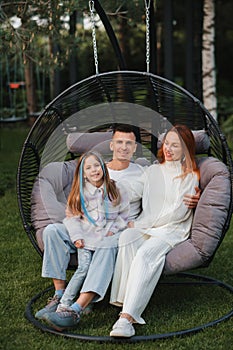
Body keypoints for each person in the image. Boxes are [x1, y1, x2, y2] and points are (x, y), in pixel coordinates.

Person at [34, 124, 200, 330]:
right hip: (87, 224)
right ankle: (58, 296)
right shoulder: (97, 167)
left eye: (129, 143)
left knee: (108, 242)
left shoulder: (142, 171)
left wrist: (196, 198)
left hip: (117, 229)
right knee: (52, 231)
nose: (123, 147)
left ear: (135, 147)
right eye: (119, 142)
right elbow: (87, 196)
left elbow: (154, 196)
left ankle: (78, 307)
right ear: (111, 145)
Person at [109, 124, 200, 338]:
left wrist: (141, 224)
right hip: (146, 226)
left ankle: (128, 318)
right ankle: (124, 300)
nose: (168, 149)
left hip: (171, 230)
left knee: (145, 254)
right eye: (167, 143)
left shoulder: (190, 176)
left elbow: (177, 213)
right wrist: (110, 187)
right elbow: (132, 192)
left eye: (175, 146)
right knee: (127, 237)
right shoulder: (152, 171)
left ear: (186, 150)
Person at [53, 151, 129, 319]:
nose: (94, 170)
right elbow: (72, 218)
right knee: (83, 268)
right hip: (85, 239)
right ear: (83, 174)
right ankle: (63, 304)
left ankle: (86, 303)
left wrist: (113, 230)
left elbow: (124, 215)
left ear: (103, 167)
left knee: (98, 262)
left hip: (105, 238)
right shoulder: (79, 193)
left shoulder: (115, 188)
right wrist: (77, 237)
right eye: (88, 168)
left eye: (97, 165)